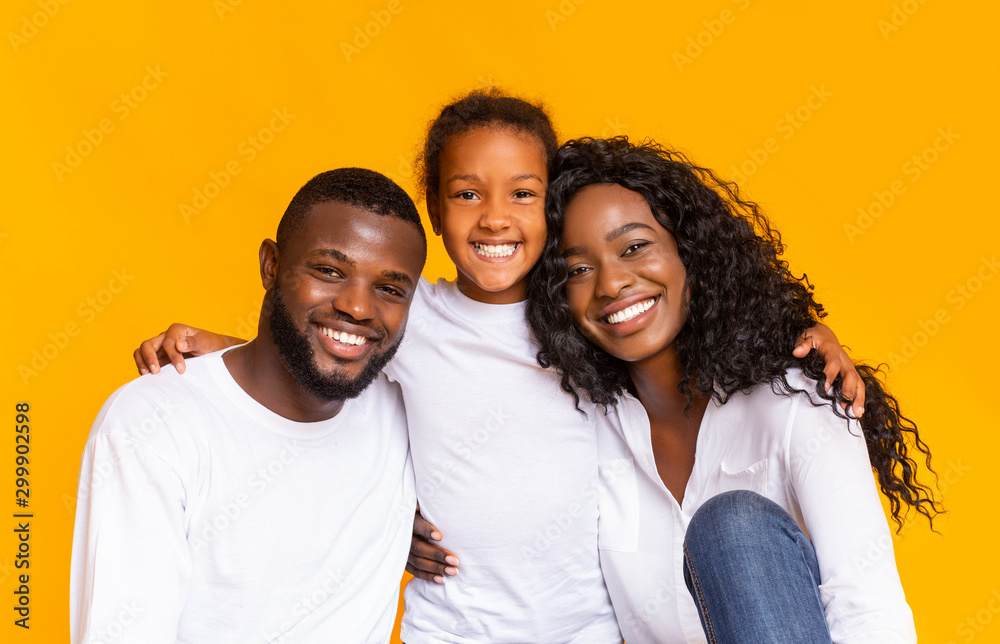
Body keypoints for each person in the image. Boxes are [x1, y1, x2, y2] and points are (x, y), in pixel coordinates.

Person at [130, 89, 863, 643]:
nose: (494, 217)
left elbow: (690, 320)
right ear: (435, 209)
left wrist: (802, 332)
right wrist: (225, 346)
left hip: (589, 628)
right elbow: (332, 345)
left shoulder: (586, 320)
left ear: (550, 207)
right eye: (466, 194)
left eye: (522, 194)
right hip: (452, 628)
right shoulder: (413, 315)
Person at [524, 137, 940, 643]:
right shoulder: (580, 426)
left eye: (635, 247)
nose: (610, 284)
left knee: (731, 527)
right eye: (579, 270)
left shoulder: (797, 399)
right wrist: (416, 511)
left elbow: (867, 606)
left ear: (690, 254)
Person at [71, 168, 427, 643]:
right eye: (329, 271)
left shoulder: (404, 411)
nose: (358, 307)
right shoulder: (154, 425)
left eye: (389, 289)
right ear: (271, 266)